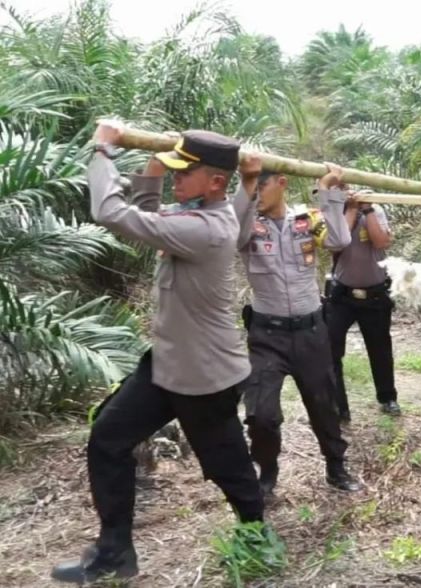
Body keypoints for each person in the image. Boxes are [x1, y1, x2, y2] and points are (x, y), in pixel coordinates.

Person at [52, 124, 264, 584]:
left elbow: (110, 211)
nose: (176, 181)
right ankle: (114, 553)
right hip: (168, 364)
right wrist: (156, 161)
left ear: (215, 183)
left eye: (184, 174)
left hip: (206, 376)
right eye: (174, 172)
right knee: (108, 438)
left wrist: (103, 149)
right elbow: (152, 211)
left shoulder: (205, 228)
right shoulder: (194, 213)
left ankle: (256, 538)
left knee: (227, 467)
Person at [235, 156, 361, 498]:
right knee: (260, 413)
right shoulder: (249, 226)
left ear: (282, 183)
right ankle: (267, 470)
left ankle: (336, 467)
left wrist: (328, 193)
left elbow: (339, 241)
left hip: (310, 332)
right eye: (253, 186)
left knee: (324, 406)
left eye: (263, 185)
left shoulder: (309, 220)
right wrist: (245, 187)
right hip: (266, 336)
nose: (258, 192)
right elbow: (234, 232)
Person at [324, 193, 399, 422]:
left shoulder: (375, 211)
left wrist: (367, 210)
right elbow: (339, 241)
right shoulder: (335, 214)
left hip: (374, 295)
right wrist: (351, 209)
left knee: (380, 349)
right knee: (330, 350)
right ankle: (339, 406)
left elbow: (382, 242)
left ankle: (387, 398)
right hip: (341, 296)